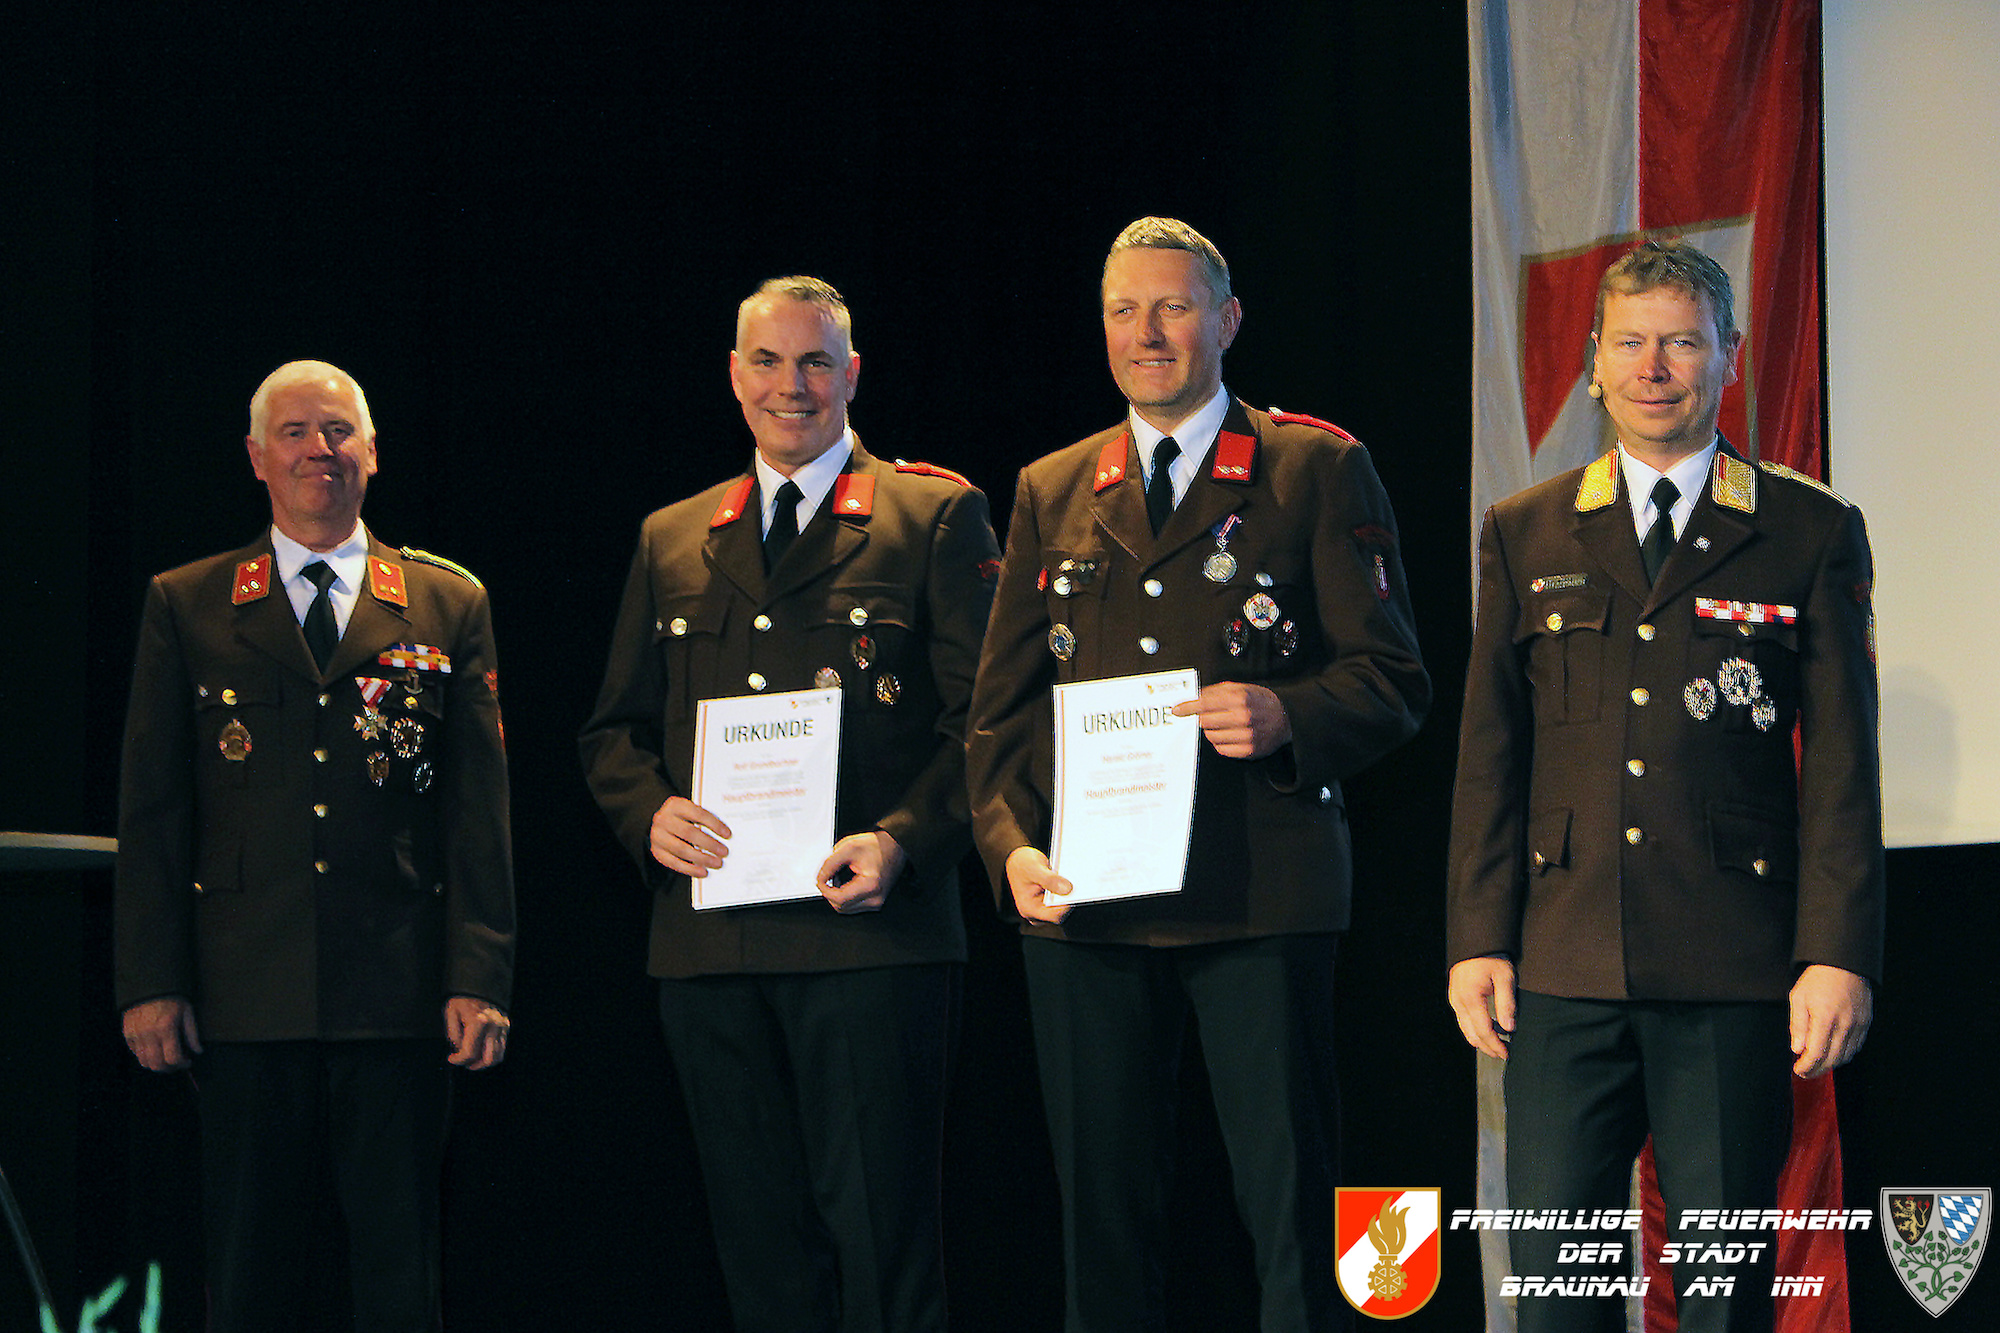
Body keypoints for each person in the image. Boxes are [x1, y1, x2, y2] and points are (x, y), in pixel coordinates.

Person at [966, 218, 1430, 1331]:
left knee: (1289, 1207)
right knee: (1102, 1219)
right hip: (1084, 902)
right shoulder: (1052, 485)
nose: (1147, 333)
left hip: (1257, 888)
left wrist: (1288, 713)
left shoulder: (1313, 468)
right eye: (1124, 310)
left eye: (1172, 307)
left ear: (1225, 321)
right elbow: (1000, 713)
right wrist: (1010, 847)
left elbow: (1393, 677)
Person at [1446, 239, 1883, 1332]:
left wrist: (1835, 952)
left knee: (1726, 1297)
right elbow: (1491, 753)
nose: (1653, 368)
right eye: (1629, 343)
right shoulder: (1525, 529)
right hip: (1560, 965)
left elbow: (1841, 768)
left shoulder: (1807, 529)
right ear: (1593, 361)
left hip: (1731, 962)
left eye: (1681, 343)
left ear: (1728, 354)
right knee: (1560, 1292)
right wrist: (1475, 937)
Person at [578, 277, 1000, 1333]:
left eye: (815, 362)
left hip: (870, 944)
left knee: (884, 1252)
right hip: (712, 952)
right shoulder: (673, 535)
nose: (790, 386)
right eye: (766, 361)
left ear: (852, 374)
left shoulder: (931, 517)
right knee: (758, 1254)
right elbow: (612, 733)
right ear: (734, 376)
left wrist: (903, 840)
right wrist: (648, 813)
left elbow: (989, 723)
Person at [116, 359, 515, 1331]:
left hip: (400, 997)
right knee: (250, 1278)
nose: (317, 450)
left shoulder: (446, 602)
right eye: (293, 432)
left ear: (372, 451)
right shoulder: (190, 601)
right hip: (244, 996)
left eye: (337, 430)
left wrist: (480, 975)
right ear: (257, 457)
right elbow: (155, 811)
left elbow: (477, 813)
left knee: (399, 1280)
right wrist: (150, 980)